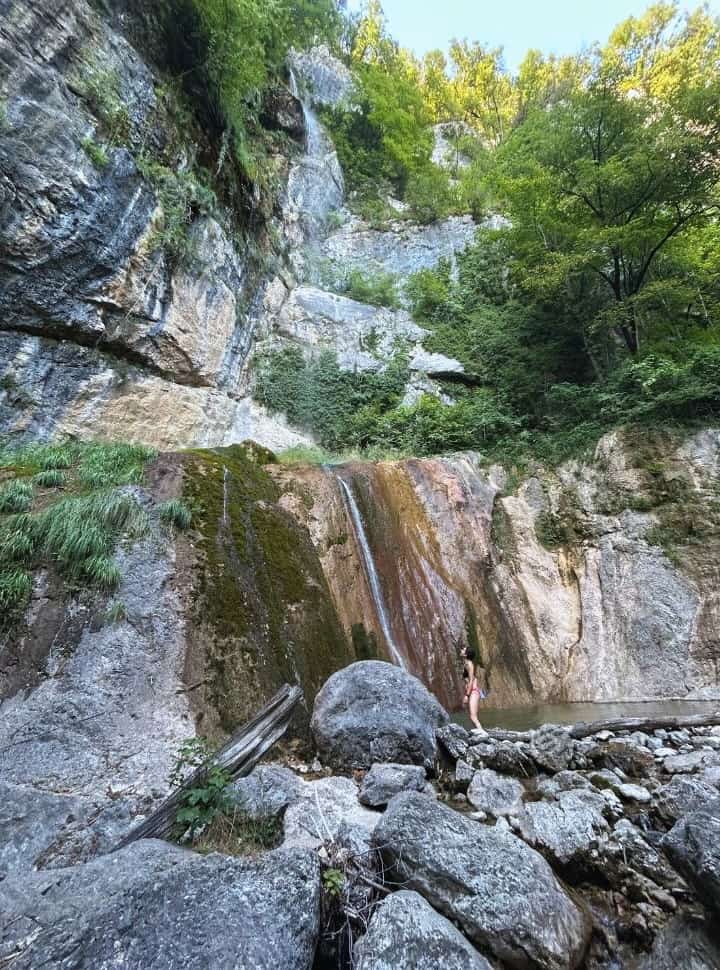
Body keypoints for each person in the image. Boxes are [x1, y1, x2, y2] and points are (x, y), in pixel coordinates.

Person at [461, 645, 488, 736]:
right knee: (472, 716)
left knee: (473, 716)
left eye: (463, 650)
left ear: (466, 654)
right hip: (472, 692)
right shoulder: (466, 663)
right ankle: (480, 732)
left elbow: (471, 679)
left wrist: (467, 695)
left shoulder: (469, 664)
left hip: (473, 692)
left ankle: (483, 734)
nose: (461, 650)